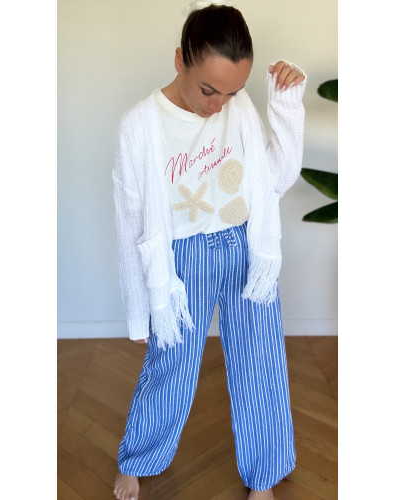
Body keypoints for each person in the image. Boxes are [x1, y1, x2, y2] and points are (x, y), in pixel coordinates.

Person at [112, 3, 307, 499]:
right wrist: (138, 311)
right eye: (208, 90)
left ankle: (264, 474)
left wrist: (285, 104)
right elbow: (130, 222)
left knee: (260, 361)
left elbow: (276, 179)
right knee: (171, 367)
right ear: (181, 59)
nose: (219, 105)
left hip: (244, 248)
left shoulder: (238, 109)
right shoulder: (140, 125)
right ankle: (138, 457)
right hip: (181, 261)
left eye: (232, 92)